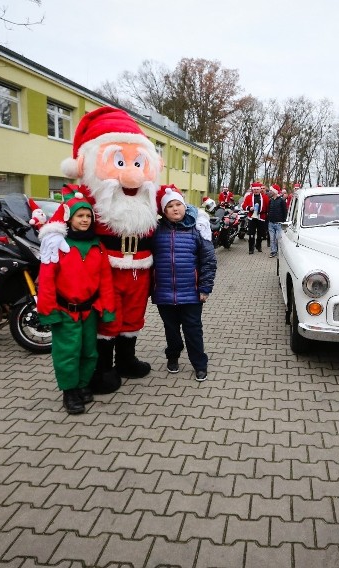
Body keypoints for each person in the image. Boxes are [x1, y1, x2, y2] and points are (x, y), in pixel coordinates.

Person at [39, 107, 162, 395]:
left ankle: (127, 359)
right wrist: (53, 235)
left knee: (133, 315)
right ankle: (101, 367)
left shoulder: (149, 196)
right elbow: (63, 219)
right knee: (107, 316)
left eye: (137, 162)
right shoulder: (88, 198)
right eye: (119, 161)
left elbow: (175, 208)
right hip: (105, 269)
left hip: (141, 269)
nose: (131, 173)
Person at [37, 189, 115, 414]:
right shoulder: (57, 245)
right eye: (80, 216)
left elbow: (105, 281)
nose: (84, 220)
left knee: (89, 351)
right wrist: (48, 311)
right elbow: (47, 280)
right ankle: (69, 392)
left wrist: (108, 308)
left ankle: (82, 385)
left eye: (88, 216)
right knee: (68, 352)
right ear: (69, 218)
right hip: (65, 311)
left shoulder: (97, 246)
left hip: (89, 311)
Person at [151, 185, 216, 382]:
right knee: (171, 330)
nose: (175, 209)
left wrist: (205, 288)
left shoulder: (196, 230)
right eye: (170, 206)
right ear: (164, 210)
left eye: (178, 204)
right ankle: (172, 356)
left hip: (192, 293)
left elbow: (209, 261)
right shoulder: (155, 231)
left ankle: (199, 364)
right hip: (164, 293)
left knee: (193, 330)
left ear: (184, 206)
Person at [241, 182, 269, 254]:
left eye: (257, 189)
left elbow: (268, 207)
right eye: (255, 189)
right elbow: (244, 205)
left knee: (260, 234)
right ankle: (251, 248)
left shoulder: (265, 197)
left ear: (260, 190)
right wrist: (249, 208)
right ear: (252, 190)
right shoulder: (249, 197)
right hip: (252, 217)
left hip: (261, 217)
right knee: (251, 233)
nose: (256, 191)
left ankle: (258, 246)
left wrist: (267, 215)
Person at [267, 185, 287, 258]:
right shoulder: (270, 200)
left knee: (277, 238)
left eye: (271, 190)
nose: (270, 192)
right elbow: (268, 210)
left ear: (275, 191)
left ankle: (279, 250)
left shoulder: (281, 200)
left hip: (279, 223)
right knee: (272, 238)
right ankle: (273, 251)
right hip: (271, 222)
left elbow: (285, 211)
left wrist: (284, 221)